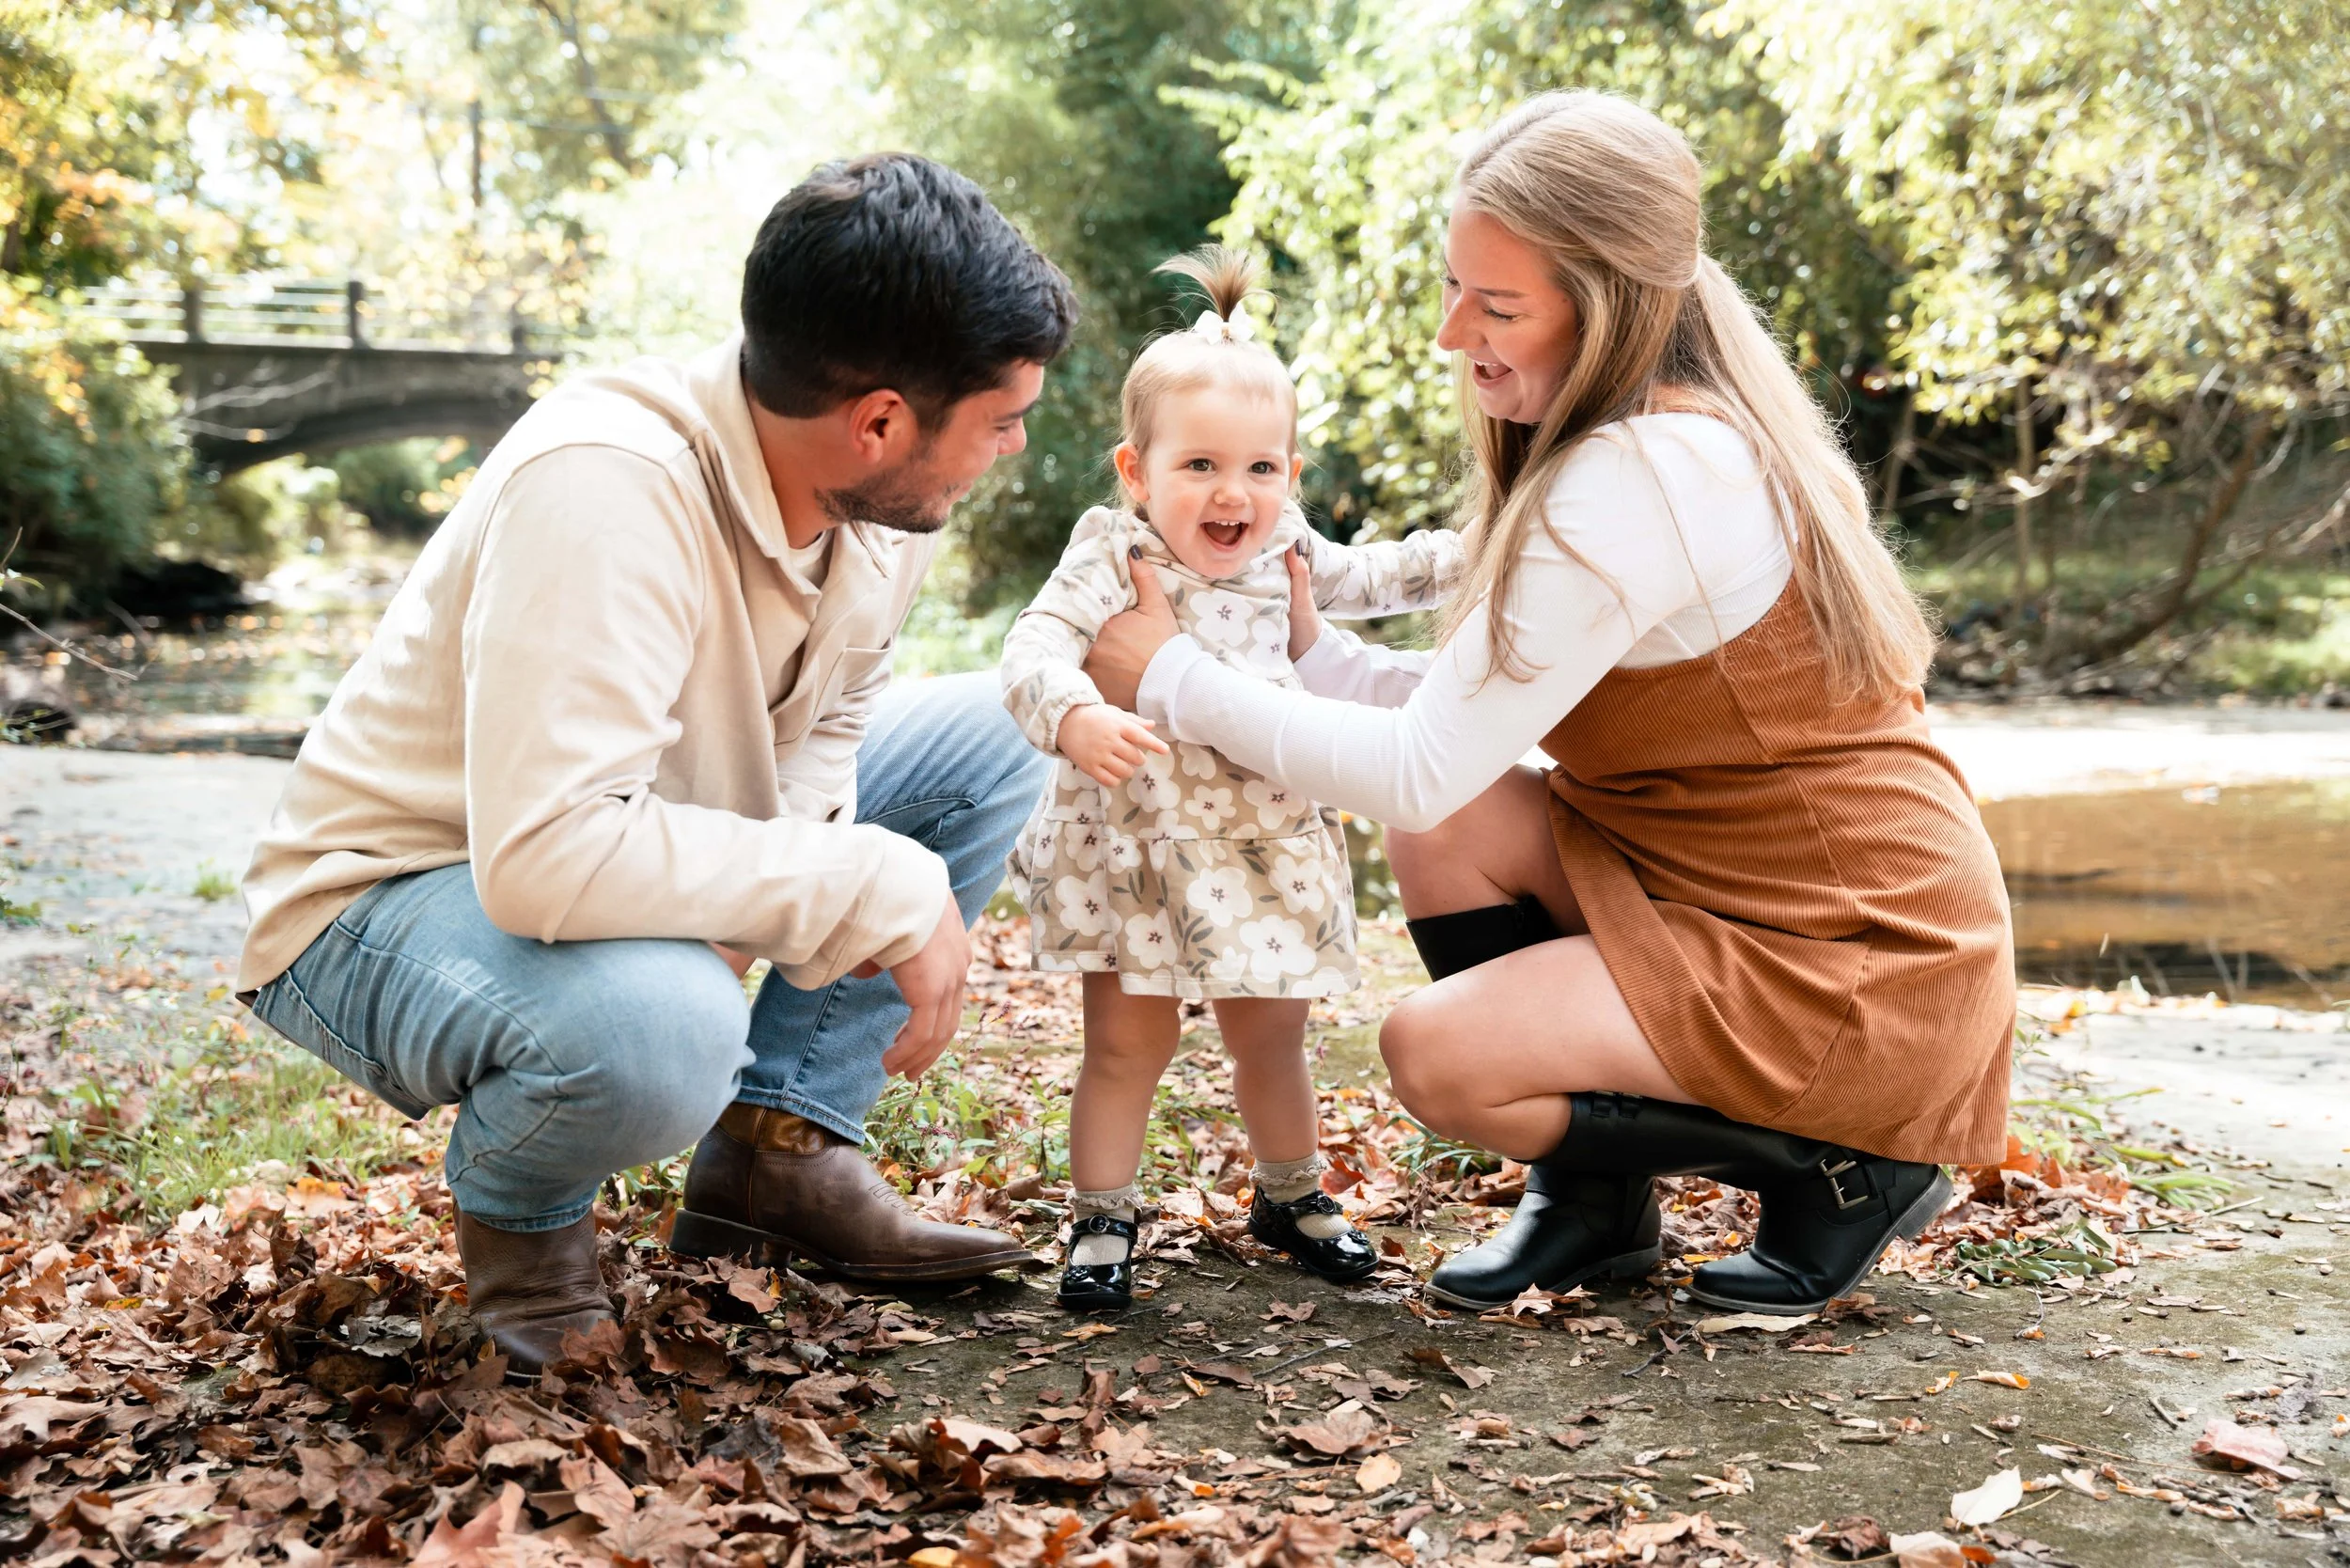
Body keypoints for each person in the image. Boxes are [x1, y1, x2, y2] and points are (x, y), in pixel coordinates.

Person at [1082, 93, 2015, 1317]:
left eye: (1497, 306)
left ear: (1612, 305)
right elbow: (1458, 733)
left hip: (1857, 957)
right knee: (1447, 823)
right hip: (1725, 885)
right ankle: (1595, 1207)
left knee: (1436, 1055)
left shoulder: (1650, 476)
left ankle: (1852, 1169)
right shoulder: (1639, 440)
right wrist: (1303, 657)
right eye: (1458, 287)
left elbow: (1416, 761)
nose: (1449, 332)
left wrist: (1168, 678)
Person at [234, 153, 1076, 1371]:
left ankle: (777, 1160)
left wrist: (776, 894)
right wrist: (862, 886)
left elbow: (832, 731)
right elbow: (543, 857)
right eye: (1002, 421)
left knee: (991, 739)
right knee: (662, 1032)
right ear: (880, 419)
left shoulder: (876, 506)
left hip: (609, 832)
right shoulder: (604, 486)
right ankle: (526, 1244)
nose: (1011, 449)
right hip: (386, 892)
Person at [997, 249, 1462, 1311]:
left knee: (1273, 1035)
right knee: (1124, 1042)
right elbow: (1032, 648)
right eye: (1199, 465)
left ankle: (1290, 1194)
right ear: (1135, 472)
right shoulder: (1112, 557)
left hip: (1260, 843)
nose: (1231, 492)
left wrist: (1486, 548)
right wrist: (1073, 714)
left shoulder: (1286, 552)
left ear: (1288, 477)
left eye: (1260, 468)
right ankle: (1103, 1214)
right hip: (1137, 848)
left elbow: (1381, 576)